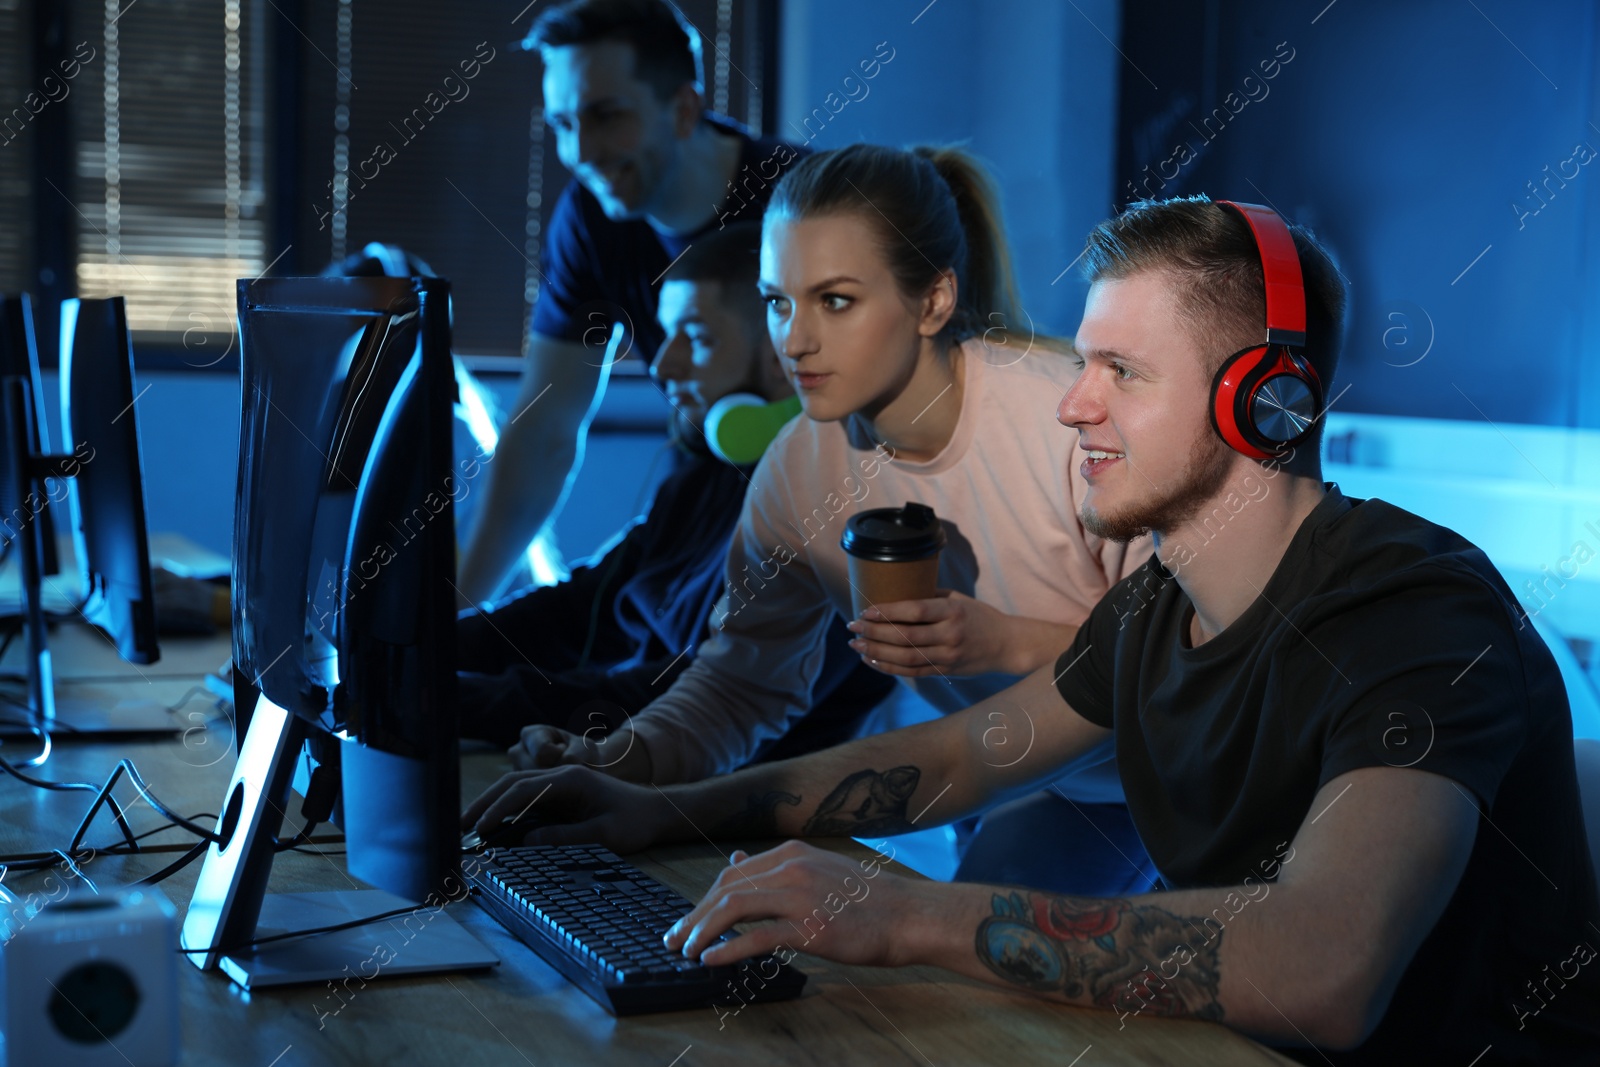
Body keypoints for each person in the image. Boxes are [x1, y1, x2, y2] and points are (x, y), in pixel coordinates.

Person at [463, 196, 1600, 1062]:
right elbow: (954, 754)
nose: (1071, 401)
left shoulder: (1410, 611)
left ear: (1268, 400)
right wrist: (653, 806)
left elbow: (1321, 965)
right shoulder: (1162, 604)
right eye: (1082, 360)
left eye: (1119, 371)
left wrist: (908, 913)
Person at [500, 142, 1159, 897]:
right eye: (779, 301)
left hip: (1156, 773)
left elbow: (1193, 658)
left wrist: (1004, 641)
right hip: (1014, 768)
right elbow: (740, 681)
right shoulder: (799, 464)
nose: (796, 340)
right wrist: (619, 758)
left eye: (835, 301)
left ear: (933, 302)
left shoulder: (1070, 425)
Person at [457, 223, 894, 757]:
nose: (665, 366)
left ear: (790, 354)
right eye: (666, 336)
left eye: (700, 338)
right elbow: (585, 609)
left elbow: (687, 694)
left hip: (753, 818)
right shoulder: (702, 480)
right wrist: (429, 649)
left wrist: (455, 699)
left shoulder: (841, 513)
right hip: (662, 787)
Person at [456, 0, 807, 605]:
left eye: (606, 116)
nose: (582, 153)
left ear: (683, 108)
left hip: (817, 509)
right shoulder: (592, 221)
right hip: (697, 499)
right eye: (564, 125)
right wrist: (456, 613)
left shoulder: (807, 206)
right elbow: (545, 429)